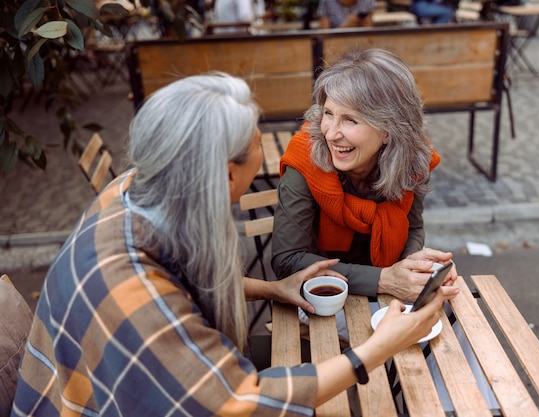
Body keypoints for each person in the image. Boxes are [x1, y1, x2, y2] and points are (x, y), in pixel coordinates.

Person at [11, 72, 458, 416]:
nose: (320, 134)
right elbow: (236, 403)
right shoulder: (130, 284)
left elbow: (177, 273)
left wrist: (271, 289)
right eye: (258, 141)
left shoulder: (135, 187)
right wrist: (380, 346)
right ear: (227, 174)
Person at [272, 48, 457, 304]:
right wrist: (384, 279)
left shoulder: (412, 158)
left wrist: (415, 268)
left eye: (350, 120)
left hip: (389, 295)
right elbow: (287, 260)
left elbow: (413, 227)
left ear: (389, 131)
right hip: (323, 297)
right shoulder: (305, 159)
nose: (331, 134)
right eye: (328, 113)